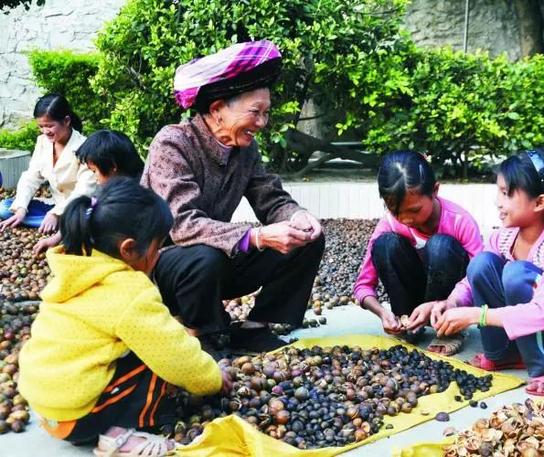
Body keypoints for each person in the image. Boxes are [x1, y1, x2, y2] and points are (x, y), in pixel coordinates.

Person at [18, 178, 231, 456]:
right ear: (129, 249)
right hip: (78, 418)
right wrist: (213, 378)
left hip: (46, 406)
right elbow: (176, 356)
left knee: (146, 343)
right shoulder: (129, 291)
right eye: (157, 249)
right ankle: (120, 434)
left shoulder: (74, 267)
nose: (159, 256)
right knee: (158, 359)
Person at [142, 40, 325, 354]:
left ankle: (255, 329)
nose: (263, 123)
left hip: (216, 263)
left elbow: (270, 197)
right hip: (164, 268)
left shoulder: (245, 149)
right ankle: (199, 334)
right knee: (204, 255)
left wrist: (296, 215)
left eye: (266, 113)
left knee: (307, 238)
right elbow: (182, 225)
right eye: (255, 112)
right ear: (217, 111)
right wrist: (255, 236)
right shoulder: (172, 143)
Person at [409, 148, 544, 396]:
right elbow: (472, 279)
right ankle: (503, 354)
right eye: (499, 191)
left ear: (540, 202)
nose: (498, 201)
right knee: (482, 264)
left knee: (518, 276)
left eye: (507, 194)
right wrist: (450, 303)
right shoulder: (505, 235)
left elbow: (542, 314)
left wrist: (477, 315)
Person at [354, 150, 483, 355]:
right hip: (412, 305)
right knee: (385, 244)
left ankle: (448, 328)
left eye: (414, 210)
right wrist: (382, 313)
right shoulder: (389, 224)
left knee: (440, 246)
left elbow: (480, 278)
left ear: (435, 191)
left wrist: (447, 303)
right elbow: (362, 285)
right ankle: (409, 324)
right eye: (396, 211)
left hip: (449, 302)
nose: (405, 219)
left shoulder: (459, 221)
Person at [33, 129, 145, 254]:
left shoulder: (137, 193)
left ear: (113, 166)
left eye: (94, 172)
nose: (95, 178)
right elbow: (89, 208)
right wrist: (57, 237)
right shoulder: (113, 186)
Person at [0, 93, 96, 233]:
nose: (45, 131)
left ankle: (64, 225)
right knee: (4, 208)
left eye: (50, 126)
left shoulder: (85, 146)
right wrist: (21, 209)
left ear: (67, 121)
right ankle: (62, 226)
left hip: (79, 207)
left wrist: (55, 214)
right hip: (54, 205)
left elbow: (85, 190)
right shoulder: (42, 142)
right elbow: (31, 177)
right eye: (41, 126)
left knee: (89, 218)